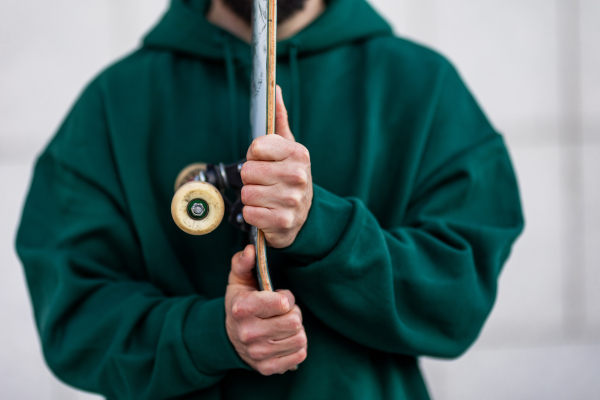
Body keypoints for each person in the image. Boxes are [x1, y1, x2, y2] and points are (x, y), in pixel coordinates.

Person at [16, 0, 524, 398]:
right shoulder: (115, 102)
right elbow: (74, 317)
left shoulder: (423, 87)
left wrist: (322, 228)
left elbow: (457, 296)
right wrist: (209, 334)